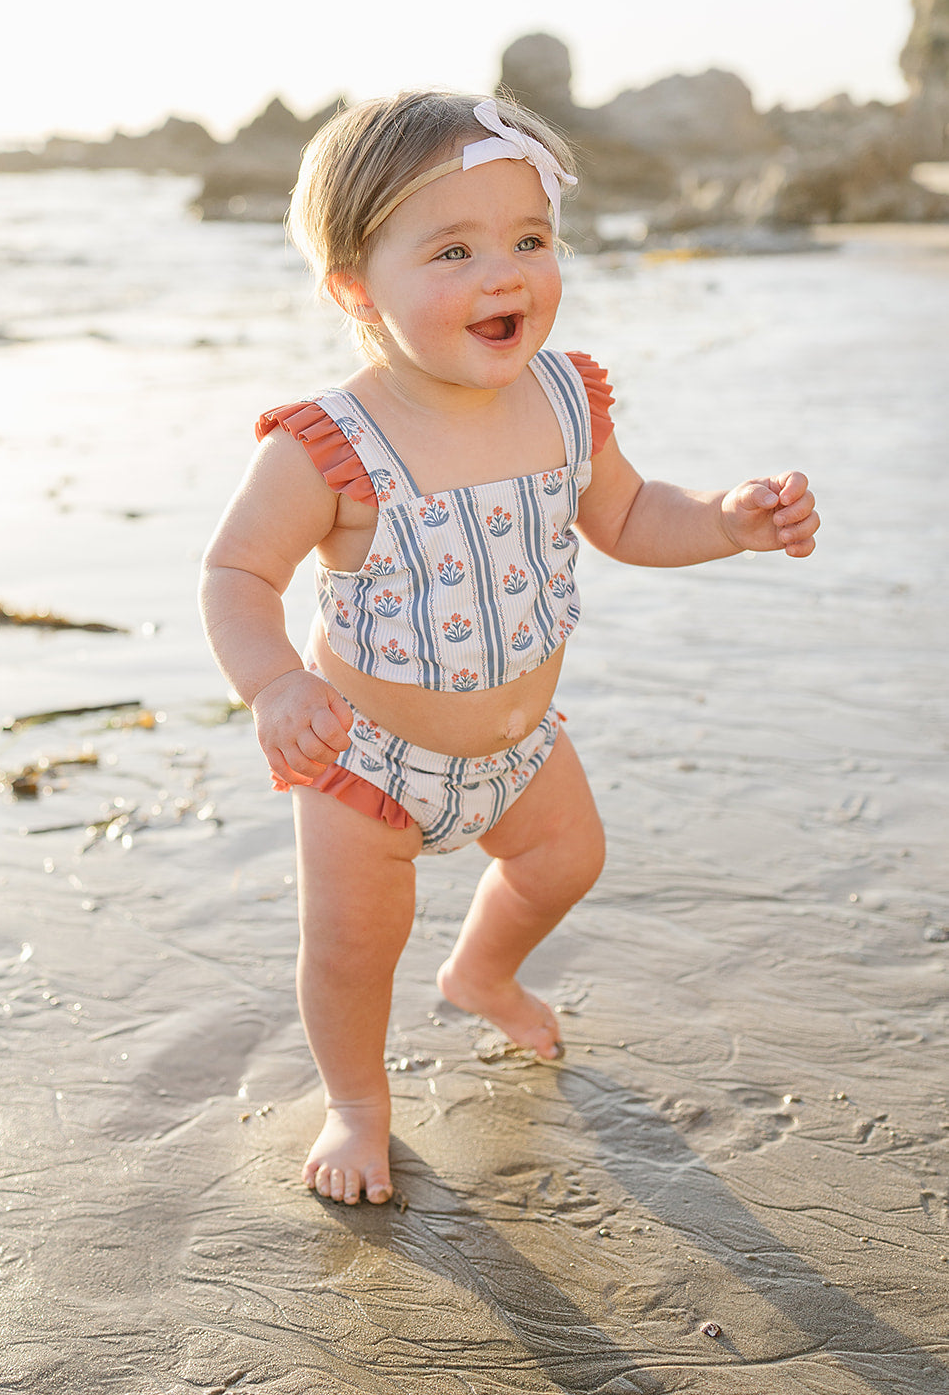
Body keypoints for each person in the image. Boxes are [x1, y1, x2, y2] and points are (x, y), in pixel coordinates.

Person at [200, 92, 820, 1207]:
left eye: (529, 240)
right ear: (355, 289)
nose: (505, 275)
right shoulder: (329, 444)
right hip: (367, 760)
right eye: (453, 251)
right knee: (351, 948)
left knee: (566, 860)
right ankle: (357, 1106)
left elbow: (629, 515)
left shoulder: (564, 398)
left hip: (520, 748)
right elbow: (237, 574)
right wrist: (274, 682)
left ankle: (481, 971)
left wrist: (726, 521)